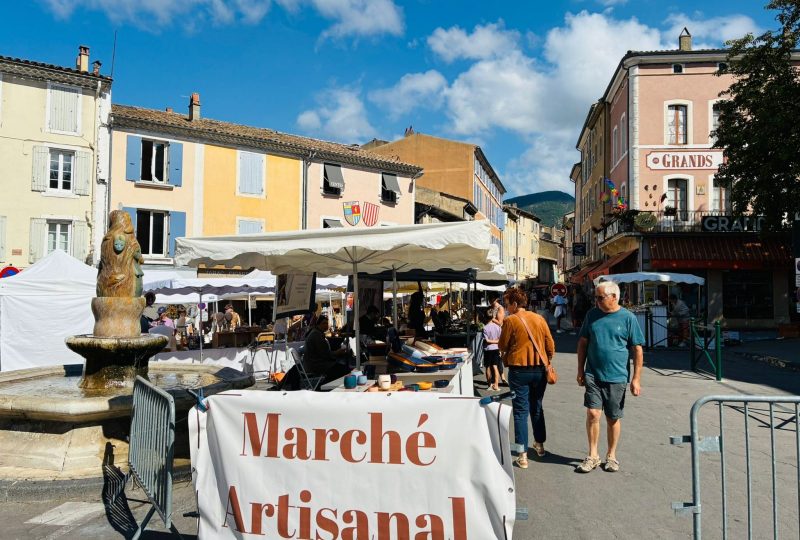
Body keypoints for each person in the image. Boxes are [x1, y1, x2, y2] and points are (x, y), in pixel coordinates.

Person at [575, 280, 644, 473]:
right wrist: (580, 370)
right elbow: (582, 343)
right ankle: (593, 455)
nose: (596, 301)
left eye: (600, 297)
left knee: (612, 417)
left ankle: (611, 456)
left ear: (614, 297)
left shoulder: (628, 318)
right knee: (593, 413)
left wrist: (636, 379)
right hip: (593, 373)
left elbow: (637, 349)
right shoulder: (592, 315)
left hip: (617, 376)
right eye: (595, 297)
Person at [499, 287, 555, 469]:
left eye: (507, 304)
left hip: (519, 370)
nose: (506, 308)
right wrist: (547, 360)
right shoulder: (539, 319)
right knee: (537, 407)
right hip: (539, 369)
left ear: (515, 304)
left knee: (520, 411)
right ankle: (539, 445)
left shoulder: (510, 321)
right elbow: (550, 345)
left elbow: (502, 344)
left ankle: (522, 454)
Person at [303, 315, 350, 383]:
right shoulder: (316, 335)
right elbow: (324, 354)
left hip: (314, 362)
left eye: (327, 323)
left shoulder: (317, 332)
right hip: (315, 364)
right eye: (324, 323)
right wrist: (337, 352)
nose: (326, 325)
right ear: (318, 324)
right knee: (342, 369)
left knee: (340, 367)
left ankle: (327, 383)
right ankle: (326, 385)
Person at [481, 309, 502, 391]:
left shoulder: (485, 328)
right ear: (493, 316)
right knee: (495, 366)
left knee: (488, 367)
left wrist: (491, 341)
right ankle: (496, 385)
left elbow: (487, 340)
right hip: (496, 348)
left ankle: (489, 385)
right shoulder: (498, 327)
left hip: (488, 349)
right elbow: (500, 340)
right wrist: (497, 342)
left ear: (486, 317)